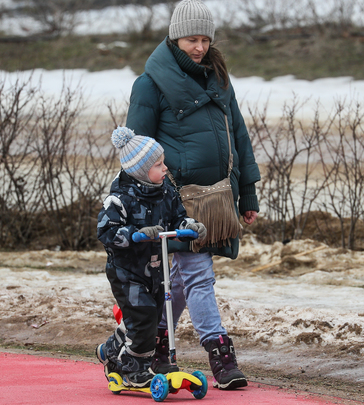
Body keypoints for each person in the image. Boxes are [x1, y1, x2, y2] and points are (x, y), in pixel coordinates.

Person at [124, 0, 261, 390]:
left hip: (217, 197)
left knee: (182, 279)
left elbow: (239, 135)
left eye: (204, 39)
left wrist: (246, 193)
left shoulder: (218, 76)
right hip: (175, 199)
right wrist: (139, 204)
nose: (199, 47)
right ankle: (221, 356)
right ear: (174, 37)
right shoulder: (150, 84)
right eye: (191, 39)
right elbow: (136, 152)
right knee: (199, 274)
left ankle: (152, 344)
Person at [95, 126, 206, 388]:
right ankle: (133, 370)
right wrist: (135, 234)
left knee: (149, 318)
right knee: (144, 319)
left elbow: (177, 217)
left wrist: (189, 226)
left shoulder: (165, 191)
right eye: (158, 164)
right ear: (142, 171)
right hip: (126, 272)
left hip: (156, 271)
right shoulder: (120, 198)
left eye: (163, 162)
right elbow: (106, 231)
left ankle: (111, 349)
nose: (165, 168)